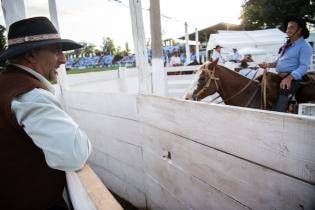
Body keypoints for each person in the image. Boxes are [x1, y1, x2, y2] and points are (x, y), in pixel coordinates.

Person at [0, 17, 92, 210]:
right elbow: (74, 154)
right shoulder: (31, 95)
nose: (64, 59)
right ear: (32, 55)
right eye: (57, 51)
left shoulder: (6, 83)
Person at [258, 16, 313, 112]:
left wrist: (289, 78)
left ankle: (279, 116)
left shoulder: (305, 46)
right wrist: (268, 65)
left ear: (300, 30)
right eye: (287, 27)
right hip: (281, 76)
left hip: (294, 78)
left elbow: (304, 67)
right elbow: (278, 62)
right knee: (260, 81)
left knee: (284, 90)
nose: (288, 30)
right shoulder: (287, 45)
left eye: (292, 27)